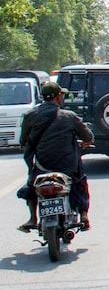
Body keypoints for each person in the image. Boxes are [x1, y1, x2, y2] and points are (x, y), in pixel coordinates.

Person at [17, 82, 93, 232]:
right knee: (79, 182)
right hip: (67, 168)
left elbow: (23, 142)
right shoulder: (69, 116)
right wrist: (86, 142)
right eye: (61, 95)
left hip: (42, 166)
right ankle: (84, 216)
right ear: (58, 97)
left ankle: (32, 218)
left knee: (32, 184)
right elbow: (88, 136)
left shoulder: (30, 116)